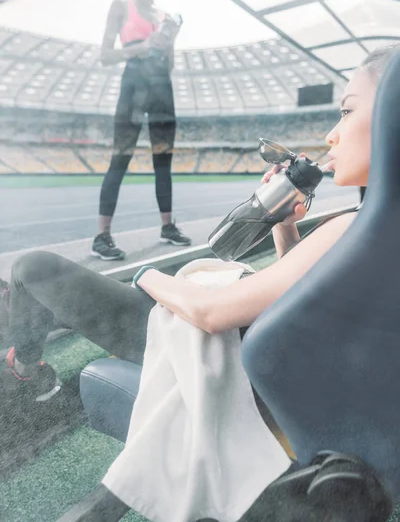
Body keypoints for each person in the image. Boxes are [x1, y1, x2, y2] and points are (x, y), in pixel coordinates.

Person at [0, 43, 398, 520]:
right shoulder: (375, 229)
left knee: (31, 268)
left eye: (347, 111)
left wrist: (149, 276)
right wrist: (284, 225)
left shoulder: (353, 226)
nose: (332, 135)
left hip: (221, 346)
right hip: (264, 350)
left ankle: (27, 372)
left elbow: (212, 314)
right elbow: (317, 305)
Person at [91, 0, 191, 261]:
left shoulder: (164, 16)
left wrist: (168, 43)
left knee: (164, 160)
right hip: (134, 81)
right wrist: (142, 46)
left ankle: (167, 227)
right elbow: (106, 56)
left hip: (161, 84)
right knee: (120, 157)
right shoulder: (121, 6)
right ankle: (102, 236)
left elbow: (171, 64)